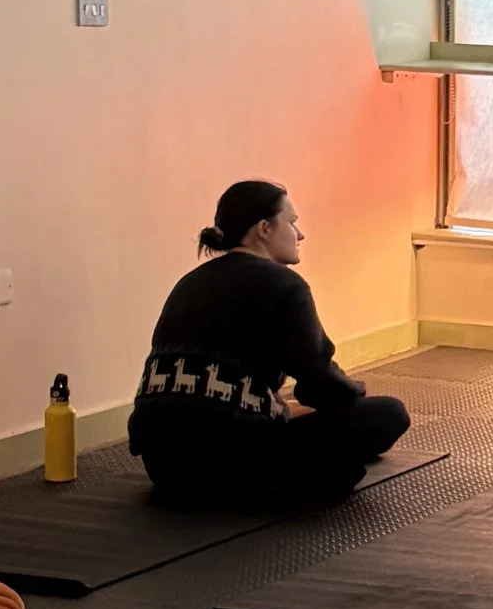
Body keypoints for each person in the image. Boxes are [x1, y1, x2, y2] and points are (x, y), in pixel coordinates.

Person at [128, 180, 409, 509]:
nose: (299, 235)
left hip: (162, 466)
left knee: (307, 432)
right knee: (388, 414)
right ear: (264, 228)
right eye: (292, 222)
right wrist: (353, 395)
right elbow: (323, 383)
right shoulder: (284, 285)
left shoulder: (189, 283)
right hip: (230, 458)